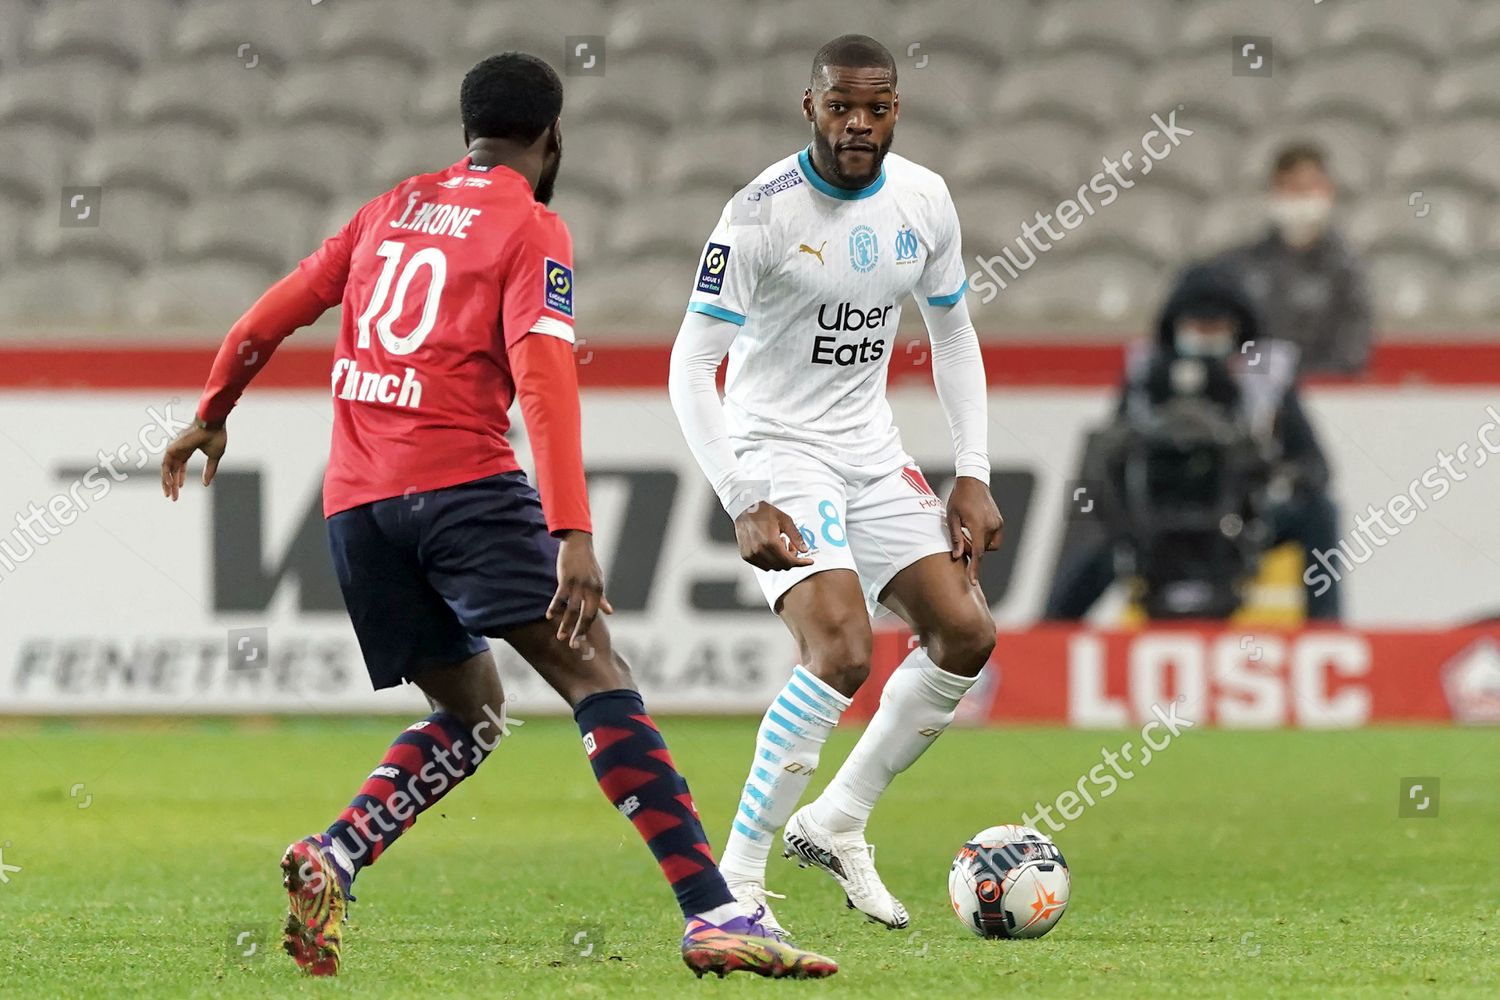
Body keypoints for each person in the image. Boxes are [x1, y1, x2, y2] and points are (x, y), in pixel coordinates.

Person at [159, 52, 835, 981]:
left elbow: (262, 322)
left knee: (471, 712)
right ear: (554, 137)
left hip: (357, 507)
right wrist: (573, 532)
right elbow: (546, 384)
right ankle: (713, 910)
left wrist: (208, 415)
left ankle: (338, 853)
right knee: (598, 673)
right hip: (464, 489)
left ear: (465, 128)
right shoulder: (532, 225)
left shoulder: (389, 207)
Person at [667, 35, 1003, 938]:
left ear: (897, 109)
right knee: (842, 651)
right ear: (809, 107)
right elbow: (690, 364)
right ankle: (734, 884)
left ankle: (837, 819)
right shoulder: (759, 213)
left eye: (878, 107)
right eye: (842, 106)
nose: (860, 123)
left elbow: (956, 335)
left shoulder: (924, 199)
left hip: (868, 446)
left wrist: (971, 472)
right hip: (778, 447)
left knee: (966, 634)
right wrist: (742, 493)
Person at [1043, 262, 1340, 621]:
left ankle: (1326, 631)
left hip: (1240, 520)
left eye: (1217, 327)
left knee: (1320, 512)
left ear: (1238, 332)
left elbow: (1315, 466)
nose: (1206, 335)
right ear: (1177, 328)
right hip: (1151, 519)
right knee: (1088, 510)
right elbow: (1107, 456)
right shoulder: (1146, 377)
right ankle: (1049, 639)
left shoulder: (1267, 381)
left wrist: (1270, 473)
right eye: (1198, 326)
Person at [1214, 141, 1374, 375]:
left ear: (1327, 191)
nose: (1299, 199)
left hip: (1325, 396)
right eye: (1289, 188)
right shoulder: (1242, 266)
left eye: (1307, 188)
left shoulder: (1346, 271)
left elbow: (1351, 352)